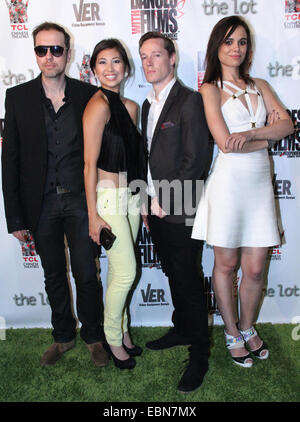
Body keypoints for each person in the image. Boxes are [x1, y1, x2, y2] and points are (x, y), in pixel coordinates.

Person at [2, 22, 108, 368]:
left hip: (79, 201)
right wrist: (15, 217)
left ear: (68, 53)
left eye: (56, 50)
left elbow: (101, 151)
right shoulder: (16, 97)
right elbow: (10, 160)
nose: (49, 57)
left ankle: (93, 336)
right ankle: (63, 336)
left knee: (85, 273)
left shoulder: (87, 94)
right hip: (41, 204)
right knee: (52, 275)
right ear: (35, 53)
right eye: (41, 50)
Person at [192, 16, 294, 368]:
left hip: (259, 184)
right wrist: (266, 133)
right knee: (227, 263)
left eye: (242, 42)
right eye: (229, 41)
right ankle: (232, 330)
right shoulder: (209, 89)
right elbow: (224, 143)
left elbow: (287, 125)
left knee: (253, 269)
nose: (236, 48)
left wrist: (252, 135)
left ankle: (248, 326)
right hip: (229, 185)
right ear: (216, 47)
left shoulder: (260, 85)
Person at [139, 31, 210, 393]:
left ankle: (200, 354)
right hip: (155, 208)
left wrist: (166, 202)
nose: (149, 63)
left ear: (173, 58)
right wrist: (148, 204)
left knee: (188, 280)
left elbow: (195, 160)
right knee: (173, 275)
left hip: (179, 210)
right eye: (144, 57)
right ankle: (182, 329)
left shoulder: (190, 101)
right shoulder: (148, 105)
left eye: (156, 55)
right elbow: (149, 159)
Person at [83, 39, 143, 370]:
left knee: (120, 271)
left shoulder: (131, 107)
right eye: (102, 62)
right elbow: (89, 165)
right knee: (127, 272)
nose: (110, 69)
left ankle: (122, 329)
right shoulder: (97, 106)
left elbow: (135, 159)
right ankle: (113, 339)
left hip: (131, 196)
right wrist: (93, 216)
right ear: (93, 70)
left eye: (116, 61)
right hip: (107, 199)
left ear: (126, 67)